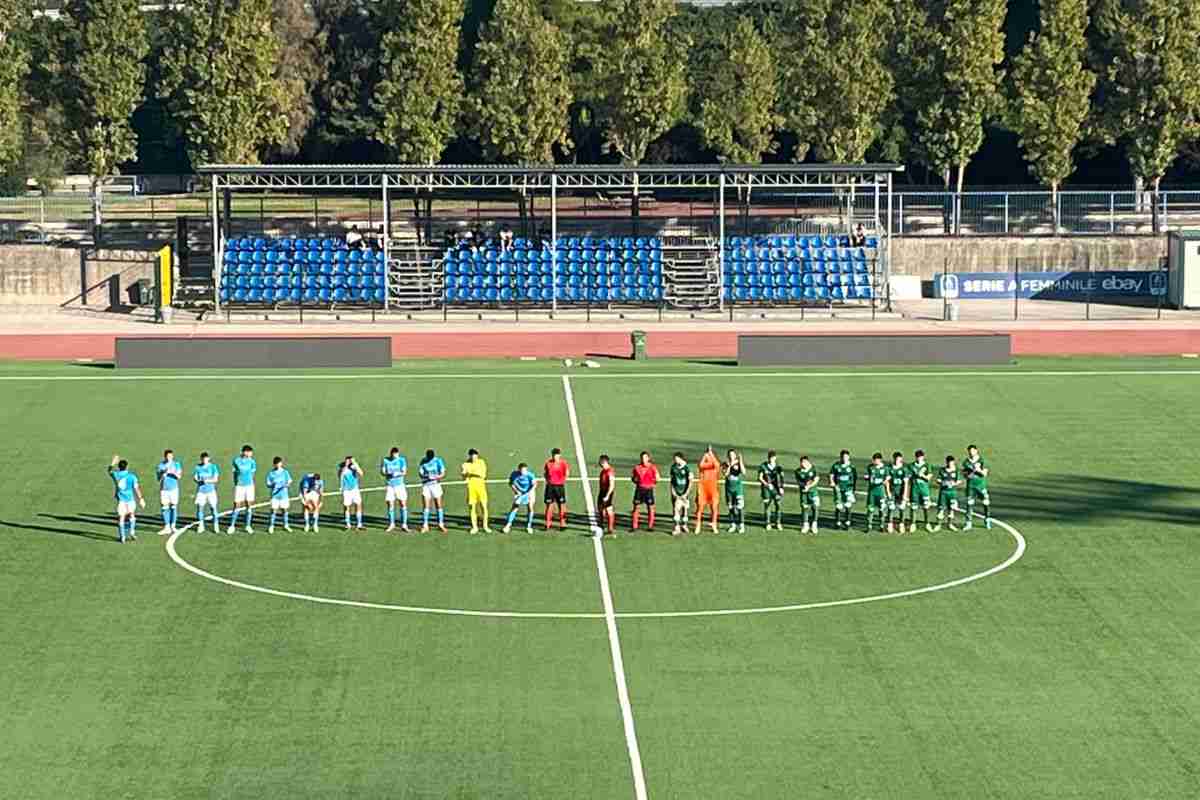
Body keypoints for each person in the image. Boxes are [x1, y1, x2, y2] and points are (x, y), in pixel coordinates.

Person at [108, 455, 145, 543]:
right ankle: (132, 532)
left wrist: (113, 463)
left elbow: (109, 471)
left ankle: (122, 537)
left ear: (119, 467)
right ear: (127, 467)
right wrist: (141, 499)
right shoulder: (132, 476)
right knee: (132, 515)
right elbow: (136, 489)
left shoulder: (116, 475)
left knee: (121, 518)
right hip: (130, 500)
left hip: (121, 501)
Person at [229, 445, 257, 535]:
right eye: (249, 452)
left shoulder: (252, 462)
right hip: (239, 486)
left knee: (249, 504)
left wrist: (249, 483)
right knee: (237, 505)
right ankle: (232, 526)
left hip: (249, 486)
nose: (251, 454)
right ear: (245, 452)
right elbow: (234, 473)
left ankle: (248, 525)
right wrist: (237, 483)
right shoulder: (236, 461)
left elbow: (252, 474)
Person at [461, 448, 491, 534]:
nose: (474, 458)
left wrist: (470, 473)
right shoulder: (465, 464)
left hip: (481, 487)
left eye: (475, 456)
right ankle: (474, 527)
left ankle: (485, 526)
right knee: (472, 508)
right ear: (470, 456)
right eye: (472, 457)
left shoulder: (481, 462)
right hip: (471, 488)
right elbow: (464, 478)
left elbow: (483, 475)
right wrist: (465, 474)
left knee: (484, 507)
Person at [963, 444, 992, 530]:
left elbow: (985, 474)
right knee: (969, 504)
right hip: (971, 486)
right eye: (969, 451)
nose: (971, 453)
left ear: (976, 451)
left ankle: (987, 520)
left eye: (972, 451)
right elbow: (965, 475)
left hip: (980, 486)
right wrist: (969, 475)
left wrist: (978, 469)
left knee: (986, 502)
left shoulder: (982, 460)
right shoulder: (966, 462)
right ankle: (968, 523)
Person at [380, 447, 409, 533]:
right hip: (390, 486)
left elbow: (404, 472)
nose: (396, 456)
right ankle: (391, 524)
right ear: (391, 454)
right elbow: (382, 472)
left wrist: (397, 474)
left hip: (400, 485)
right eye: (394, 455)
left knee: (403, 503)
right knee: (390, 504)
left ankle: (404, 524)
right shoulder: (385, 460)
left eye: (397, 454)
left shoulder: (401, 460)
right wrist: (387, 473)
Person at [503, 463, 537, 534]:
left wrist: (529, 492)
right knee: (515, 507)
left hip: (529, 492)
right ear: (519, 470)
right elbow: (511, 484)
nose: (523, 472)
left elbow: (534, 485)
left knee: (530, 508)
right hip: (520, 493)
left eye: (524, 470)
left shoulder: (530, 475)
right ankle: (508, 525)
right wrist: (516, 491)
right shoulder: (514, 474)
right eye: (522, 470)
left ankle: (529, 526)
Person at [418, 449, 448, 533]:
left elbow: (442, 473)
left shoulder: (438, 461)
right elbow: (420, 473)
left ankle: (440, 524)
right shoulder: (423, 461)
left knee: (438, 505)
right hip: (426, 485)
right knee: (426, 506)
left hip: (436, 485)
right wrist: (426, 476)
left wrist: (435, 477)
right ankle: (425, 525)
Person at [155, 448, 182, 535]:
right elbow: (158, 479)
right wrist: (162, 474)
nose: (169, 458)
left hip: (173, 489)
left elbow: (179, 476)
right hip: (164, 489)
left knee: (173, 506)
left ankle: (173, 526)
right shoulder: (160, 466)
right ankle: (167, 527)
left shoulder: (176, 464)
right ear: (165, 457)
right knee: (164, 507)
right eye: (167, 456)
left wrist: (172, 472)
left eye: (170, 456)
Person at [694, 446, 721, 534]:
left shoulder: (715, 465)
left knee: (714, 508)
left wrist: (710, 453)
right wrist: (706, 455)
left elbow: (716, 464)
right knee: (700, 508)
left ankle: (714, 524)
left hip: (712, 488)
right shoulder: (704, 465)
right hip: (703, 488)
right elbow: (700, 465)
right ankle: (698, 525)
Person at [630, 451, 659, 532]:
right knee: (636, 507)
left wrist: (653, 483)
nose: (643, 460)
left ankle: (650, 526)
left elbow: (657, 477)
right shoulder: (637, 468)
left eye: (645, 458)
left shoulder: (652, 467)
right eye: (642, 458)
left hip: (649, 490)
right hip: (639, 490)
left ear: (648, 458)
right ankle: (634, 526)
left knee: (650, 507)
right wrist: (635, 480)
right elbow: (633, 478)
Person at [829, 450, 858, 530]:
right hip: (838, 488)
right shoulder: (836, 465)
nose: (844, 458)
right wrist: (832, 482)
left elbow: (855, 478)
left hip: (848, 489)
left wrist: (853, 489)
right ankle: (837, 522)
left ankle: (847, 522)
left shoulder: (852, 467)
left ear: (848, 457)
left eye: (846, 457)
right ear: (840, 457)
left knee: (848, 505)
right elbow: (831, 474)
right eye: (843, 457)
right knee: (838, 506)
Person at [543, 448, 570, 531]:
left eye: (557, 455)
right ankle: (548, 523)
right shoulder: (548, 463)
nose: (555, 457)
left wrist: (562, 480)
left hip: (559, 486)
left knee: (561, 505)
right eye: (554, 455)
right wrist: (549, 481)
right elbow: (545, 474)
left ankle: (562, 523)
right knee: (549, 505)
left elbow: (567, 473)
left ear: (559, 455)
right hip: (550, 486)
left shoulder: (563, 463)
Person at [192, 452, 220, 533]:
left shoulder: (213, 467)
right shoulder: (198, 467)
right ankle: (201, 525)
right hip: (201, 491)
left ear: (208, 458)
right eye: (203, 458)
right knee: (200, 508)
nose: (204, 460)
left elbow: (216, 479)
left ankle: (215, 525)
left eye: (206, 458)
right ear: (201, 459)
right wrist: (197, 480)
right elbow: (195, 477)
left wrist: (207, 480)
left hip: (211, 491)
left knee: (213, 508)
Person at [906, 450, 933, 533]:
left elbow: (929, 477)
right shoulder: (911, 466)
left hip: (924, 490)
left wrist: (923, 475)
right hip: (914, 489)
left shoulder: (927, 465)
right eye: (918, 457)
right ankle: (913, 524)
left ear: (923, 457)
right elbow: (908, 477)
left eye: (920, 457)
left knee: (926, 507)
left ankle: (927, 523)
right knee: (913, 507)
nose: (919, 458)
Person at [758, 450, 786, 530]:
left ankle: (778, 523)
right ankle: (768, 523)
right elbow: (760, 478)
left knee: (778, 505)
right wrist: (767, 484)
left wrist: (781, 488)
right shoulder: (763, 466)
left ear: (775, 458)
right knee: (767, 505)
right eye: (770, 458)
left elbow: (782, 479)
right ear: (768, 458)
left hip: (776, 489)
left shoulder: (779, 468)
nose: (771, 459)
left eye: (773, 458)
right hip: (766, 489)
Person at [933, 455, 962, 532]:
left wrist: (953, 484)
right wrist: (943, 482)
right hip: (943, 492)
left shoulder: (956, 471)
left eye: (952, 463)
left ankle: (950, 524)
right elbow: (938, 480)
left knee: (951, 509)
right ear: (946, 462)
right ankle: (938, 524)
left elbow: (959, 481)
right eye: (949, 463)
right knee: (941, 509)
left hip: (952, 493)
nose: (950, 464)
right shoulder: (942, 470)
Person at [266, 456, 293, 533]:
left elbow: (289, 481)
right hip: (275, 496)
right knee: (273, 511)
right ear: (274, 464)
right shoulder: (271, 474)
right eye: (276, 464)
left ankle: (286, 525)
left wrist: (287, 485)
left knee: (284, 510)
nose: (278, 465)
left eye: (279, 463)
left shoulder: (285, 472)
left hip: (284, 495)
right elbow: (268, 484)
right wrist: (272, 485)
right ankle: (271, 526)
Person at [794, 455, 820, 534]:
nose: (803, 464)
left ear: (808, 462)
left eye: (805, 462)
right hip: (804, 493)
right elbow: (798, 482)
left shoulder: (814, 469)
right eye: (802, 462)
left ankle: (814, 524)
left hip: (813, 492)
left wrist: (809, 486)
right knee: (805, 508)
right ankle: (805, 525)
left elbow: (816, 480)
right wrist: (804, 486)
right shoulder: (798, 471)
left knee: (815, 507)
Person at [668, 452, 693, 536]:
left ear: (680, 458)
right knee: (676, 509)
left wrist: (686, 493)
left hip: (684, 493)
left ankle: (684, 525)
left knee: (685, 510)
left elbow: (690, 482)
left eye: (676, 459)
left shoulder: (687, 468)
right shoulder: (673, 468)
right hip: (676, 492)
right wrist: (672, 491)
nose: (675, 460)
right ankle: (676, 527)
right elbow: (672, 481)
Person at [723, 449, 746, 534]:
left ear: (735, 455)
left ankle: (741, 525)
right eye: (729, 455)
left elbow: (744, 472)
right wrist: (730, 465)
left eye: (732, 455)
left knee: (740, 507)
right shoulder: (725, 464)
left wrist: (741, 461)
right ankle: (732, 524)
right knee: (730, 507)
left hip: (737, 488)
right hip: (729, 488)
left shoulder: (738, 463)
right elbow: (725, 474)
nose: (731, 456)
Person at [886, 451, 909, 535]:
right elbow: (887, 482)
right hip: (892, 491)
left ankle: (901, 524)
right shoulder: (889, 468)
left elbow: (906, 483)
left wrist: (905, 494)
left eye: (899, 460)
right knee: (891, 507)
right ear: (893, 459)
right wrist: (888, 492)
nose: (897, 461)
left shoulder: (904, 469)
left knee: (902, 508)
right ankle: (890, 524)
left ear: (901, 460)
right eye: (896, 459)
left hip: (900, 491)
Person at [865, 452, 889, 533]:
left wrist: (885, 483)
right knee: (870, 509)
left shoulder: (885, 468)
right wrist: (867, 477)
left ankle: (881, 525)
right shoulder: (870, 467)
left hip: (881, 492)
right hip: (872, 492)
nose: (875, 461)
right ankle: (869, 525)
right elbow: (867, 476)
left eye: (876, 460)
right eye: (874, 460)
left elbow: (887, 479)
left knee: (881, 509)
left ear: (880, 460)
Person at [339, 456, 364, 531]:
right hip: (346, 490)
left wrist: (355, 463)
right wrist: (346, 465)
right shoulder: (343, 469)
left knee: (358, 505)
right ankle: (347, 524)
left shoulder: (354, 467)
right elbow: (340, 474)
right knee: (347, 506)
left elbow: (361, 473)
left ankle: (359, 524)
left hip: (355, 489)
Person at [596, 454, 616, 535]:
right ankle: (601, 525)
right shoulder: (603, 471)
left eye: (601, 462)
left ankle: (610, 528)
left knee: (609, 509)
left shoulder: (610, 471)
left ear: (604, 462)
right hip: (602, 491)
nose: (600, 464)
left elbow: (612, 485)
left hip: (607, 492)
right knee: (600, 508)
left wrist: (607, 495)